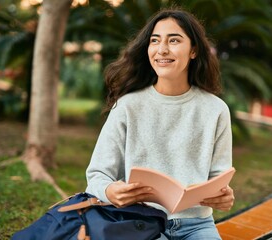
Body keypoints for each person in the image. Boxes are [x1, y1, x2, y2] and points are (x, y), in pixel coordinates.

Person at [85, 7, 235, 240]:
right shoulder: (127, 106)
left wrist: (224, 196)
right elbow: (97, 175)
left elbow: (220, 178)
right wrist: (110, 190)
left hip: (197, 225)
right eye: (155, 41)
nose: (162, 49)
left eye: (174, 40)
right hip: (139, 220)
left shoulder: (216, 110)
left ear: (193, 50)